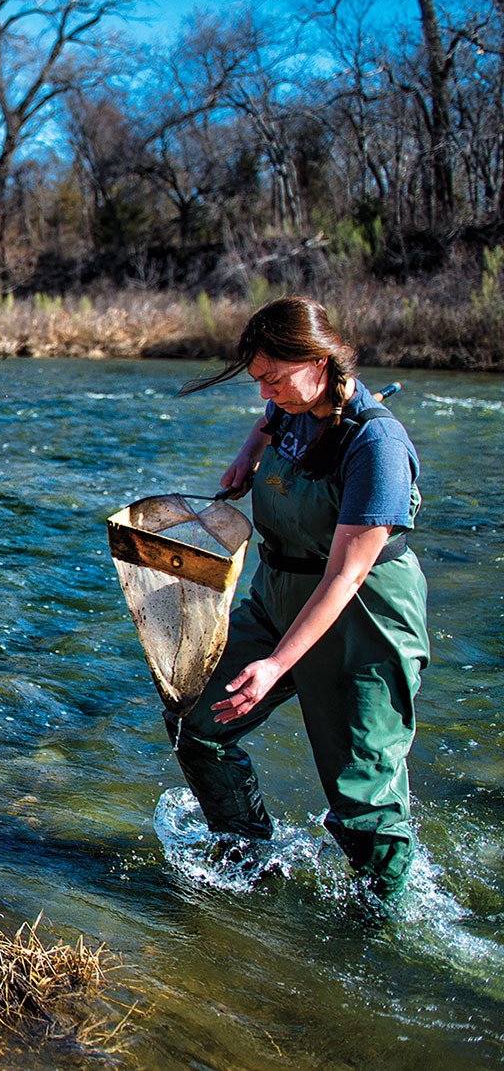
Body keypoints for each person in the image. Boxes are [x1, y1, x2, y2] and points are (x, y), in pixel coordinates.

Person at [174, 297, 429, 898]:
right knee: (197, 720)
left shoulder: (378, 447)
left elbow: (345, 574)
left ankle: (382, 929)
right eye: (257, 381)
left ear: (318, 361)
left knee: (362, 799)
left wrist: (275, 666)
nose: (266, 394)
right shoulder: (293, 405)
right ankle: (249, 858)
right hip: (278, 595)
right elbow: (271, 418)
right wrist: (250, 451)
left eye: (274, 378)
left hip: (363, 618)